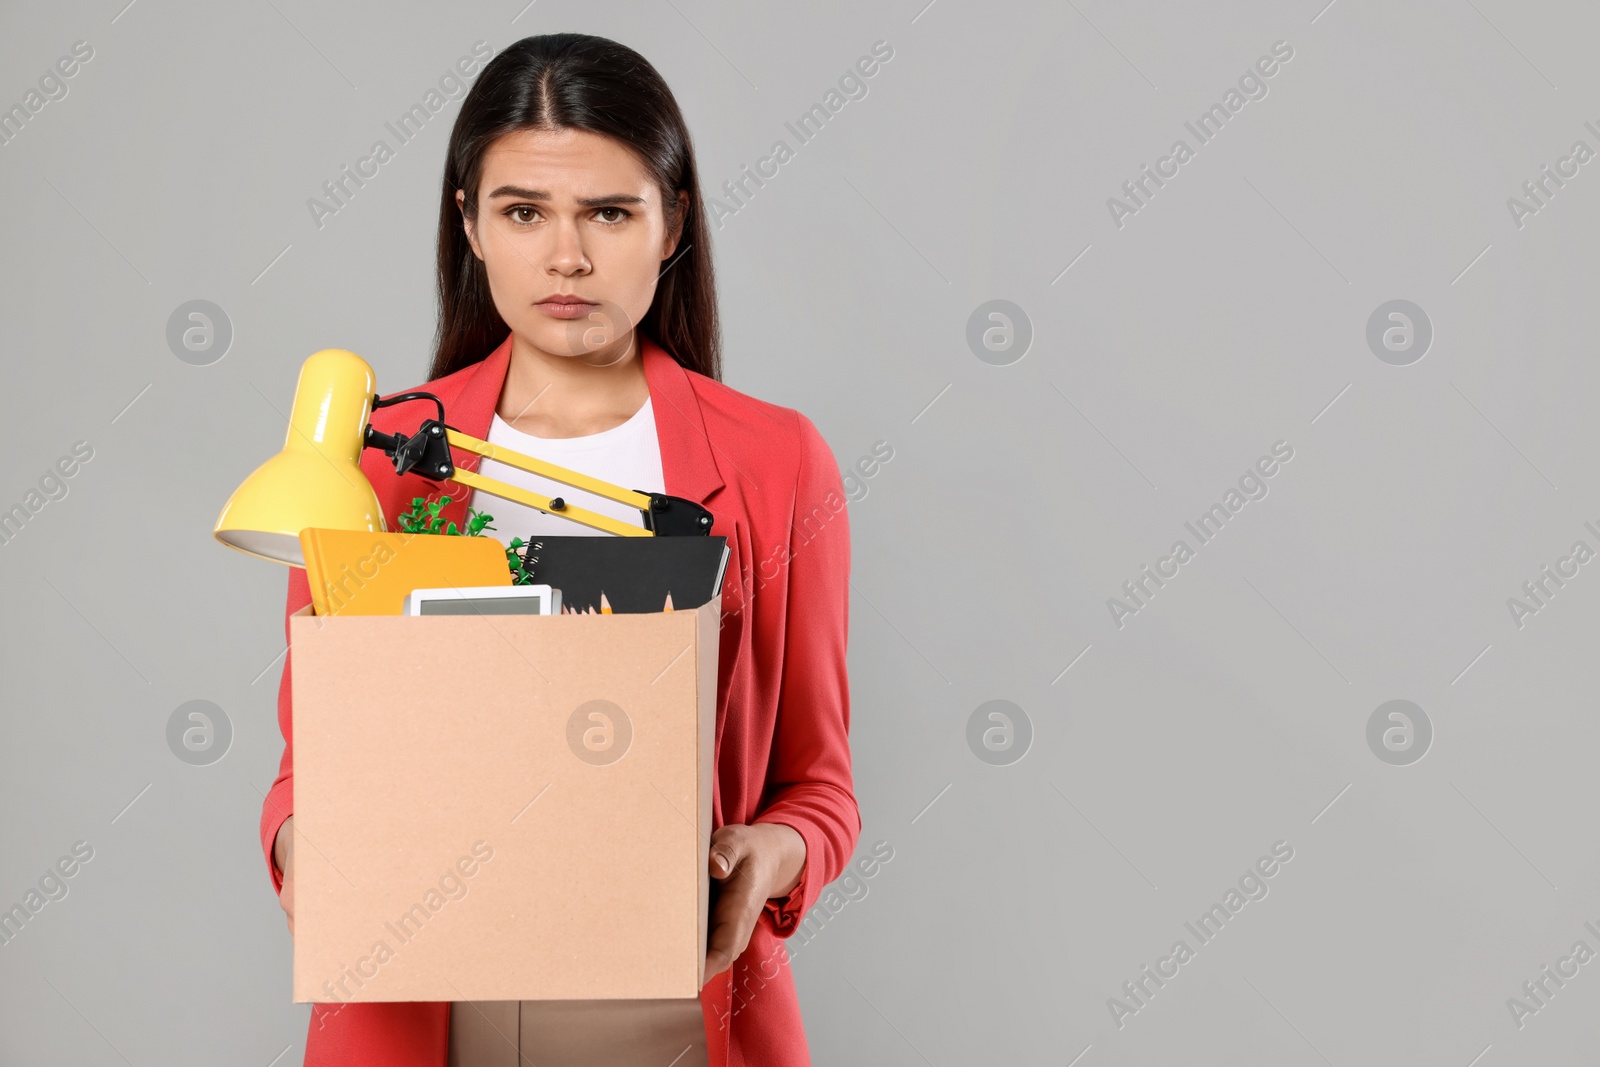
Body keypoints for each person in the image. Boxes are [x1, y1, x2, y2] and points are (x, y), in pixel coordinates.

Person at [258, 32, 859, 1067]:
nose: (566, 256)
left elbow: (818, 781)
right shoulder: (375, 460)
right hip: (427, 996)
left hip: (678, 1000)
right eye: (523, 211)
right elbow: (309, 764)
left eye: (609, 213)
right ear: (470, 224)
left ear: (672, 223)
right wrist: (302, 843)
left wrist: (769, 853)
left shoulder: (775, 462)